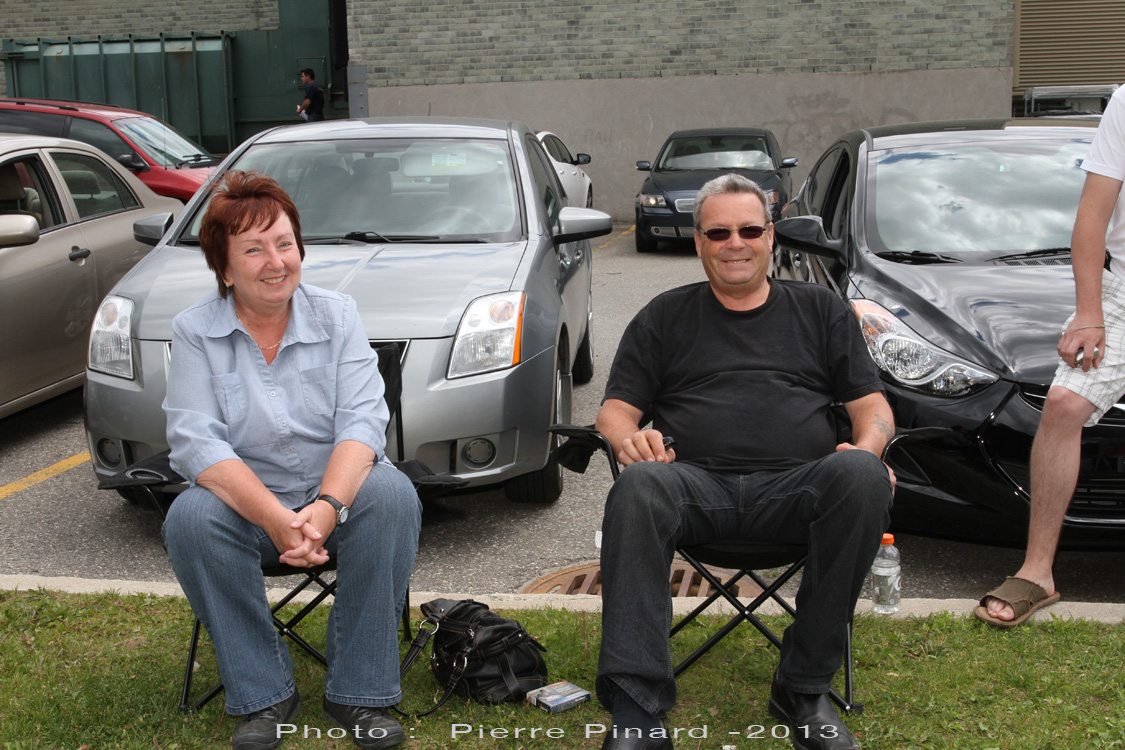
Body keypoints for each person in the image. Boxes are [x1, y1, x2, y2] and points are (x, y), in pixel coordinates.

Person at [594, 173, 895, 750]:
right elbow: (614, 412)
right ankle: (637, 710)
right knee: (639, 486)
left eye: (750, 230)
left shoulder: (821, 310)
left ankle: (803, 688)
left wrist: (868, 449)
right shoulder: (664, 315)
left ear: (771, 236)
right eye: (719, 232)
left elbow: (872, 407)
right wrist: (631, 440)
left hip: (796, 492)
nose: (736, 243)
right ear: (698, 241)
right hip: (693, 489)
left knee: (860, 475)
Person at [161, 170, 420, 750]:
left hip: (337, 502)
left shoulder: (338, 315)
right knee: (191, 518)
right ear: (225, 269)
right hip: (251, 514)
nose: (276, 262)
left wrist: (325, 508)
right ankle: (265, 696)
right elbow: (197, 443)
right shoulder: (195, 331)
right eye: (253, 250)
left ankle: (359, 693)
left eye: (285, 243)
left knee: (392, 494)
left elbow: (362, 423)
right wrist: (276, 519)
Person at [976, 86, 1125, 628]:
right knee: (1063, 404)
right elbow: (1093, 215)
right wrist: (1089, 312)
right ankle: (1037, 572)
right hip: (1121, 288)